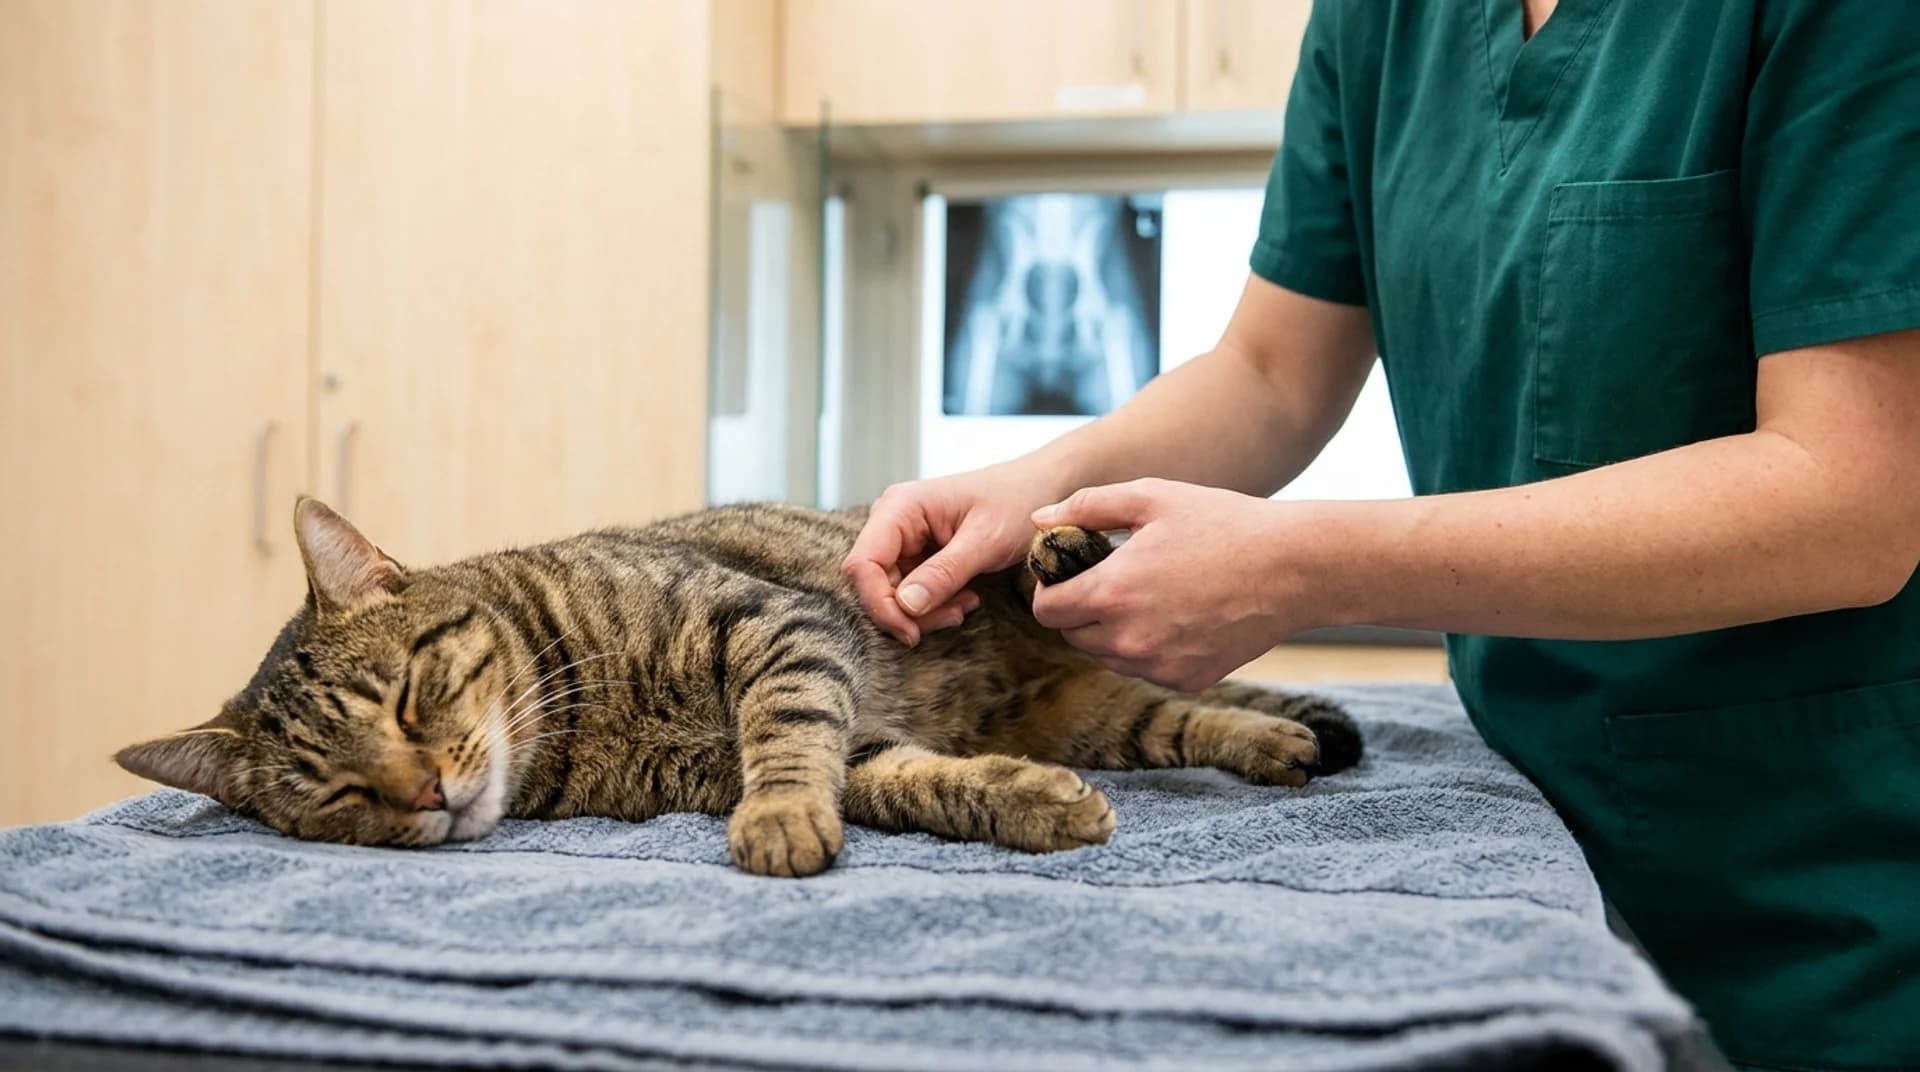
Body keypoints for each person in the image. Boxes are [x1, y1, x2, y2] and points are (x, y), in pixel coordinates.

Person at [841, 2, 1920, 1068]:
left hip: (1817, 878)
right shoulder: (1382, 21)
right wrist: (1030, 487)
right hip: (1526, 839)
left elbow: (1850, 499)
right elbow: (1270, 373)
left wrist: (1305, 563)